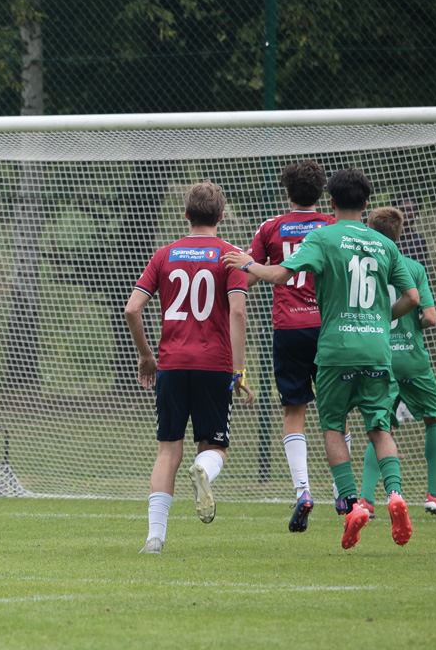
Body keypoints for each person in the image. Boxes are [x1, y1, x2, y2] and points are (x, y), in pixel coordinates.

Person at [224, 169, 419, 550]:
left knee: (331, 424)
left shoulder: (323, 237)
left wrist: (247, 264)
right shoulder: (385, 243)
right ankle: (395, 494)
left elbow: (281, 276)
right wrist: (381, 319)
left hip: (333, 346)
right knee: (379, 426)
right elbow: (412, 298)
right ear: (366, 204)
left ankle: (350, 502)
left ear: (332, 201)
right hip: (377, 348)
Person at [124, 181, 254, 555]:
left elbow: (132, 309)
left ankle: (154, 538)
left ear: (185, 215)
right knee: (214, 446)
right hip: (214, 366)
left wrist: (146, 356)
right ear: (221, 216)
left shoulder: (164, 255)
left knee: (167, 451)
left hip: (172, 365)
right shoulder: (232, 257)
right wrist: (239, 370)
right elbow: (238, 313)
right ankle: (203, 470)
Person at [247, 161, 336, 533]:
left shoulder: (270, 227)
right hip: (329, 327)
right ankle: (344, 491)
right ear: (321, 193)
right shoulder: (332, 225)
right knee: (336, 409)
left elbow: (248, 275)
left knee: (293, 412)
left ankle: (303, 491)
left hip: (288, 328)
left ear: (286, 193)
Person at [359, 207, 436, 519]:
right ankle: (434, 495)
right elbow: (430, 317)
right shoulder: (413, 267)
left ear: (370, 230)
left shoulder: (364, 267)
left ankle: (366, 501)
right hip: (412, 359)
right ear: (399, 234)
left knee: (380, 427)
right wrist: (412, 326)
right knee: (434, 418)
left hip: (379, 357)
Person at [396, 196, 429, 269]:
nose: (408, 214)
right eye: (404, 210)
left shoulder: (420, 240)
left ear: (417, 214)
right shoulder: (391, 239)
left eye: (412, 210)